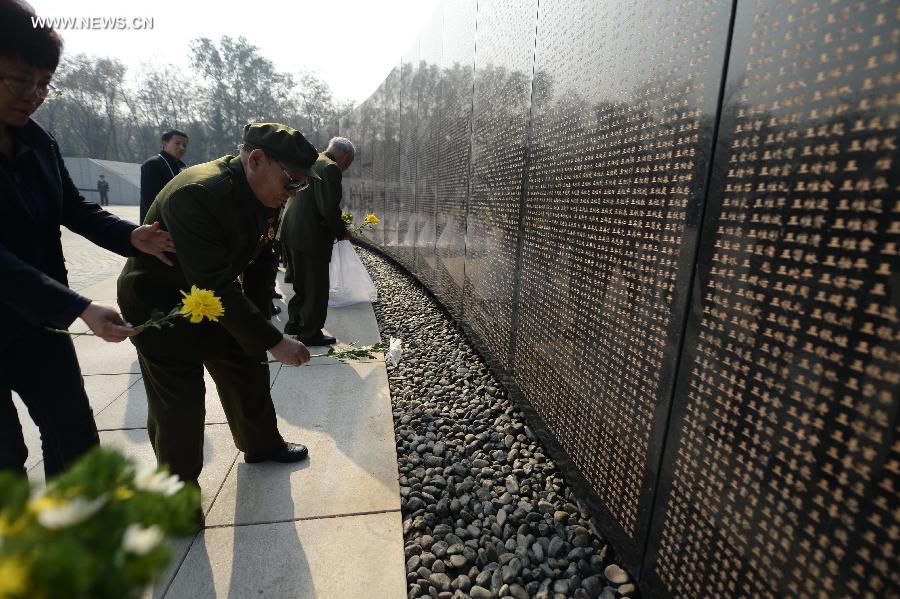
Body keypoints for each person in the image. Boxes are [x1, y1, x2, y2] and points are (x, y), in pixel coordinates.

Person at [0, 0, 176, 479]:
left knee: (73, 435)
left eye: (44, 84)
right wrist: (78, 306)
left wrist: (133, 235)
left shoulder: (37, 141)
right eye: (21, 80)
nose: (34, 96)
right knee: (5, 456)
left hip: (39, 323)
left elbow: (72, 208)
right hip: (26, 310)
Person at [117, 122, 321, 490]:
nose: (293, 192)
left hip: (214, 299)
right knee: (180, 405)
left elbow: (261, 261)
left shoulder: (266, 194)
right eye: (291, 181)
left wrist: (258, 332)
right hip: (161, 304)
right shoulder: (199, 193)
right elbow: (211, 283)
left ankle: (261, 443)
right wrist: (274, 341)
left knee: (248, 367)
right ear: (256, 160)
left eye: (300, 185)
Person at [278, 137, 355, 346]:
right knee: (315, 287)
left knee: (301, 283)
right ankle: (310, 333)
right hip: (309, 235)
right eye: (349, 163)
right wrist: (342, 231)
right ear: (345, 157)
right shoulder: (330, 168)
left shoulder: (314, 160)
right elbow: (328, 207)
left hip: (291, 231)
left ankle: (295, 323)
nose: (346, 167)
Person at [140, 128, 187, 223]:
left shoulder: (180, 169)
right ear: (164, 143)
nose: (182, 148)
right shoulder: (153, 164)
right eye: (177, 143)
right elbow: (151, 201)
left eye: (184, 145)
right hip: (156, 225)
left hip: (175, 223)